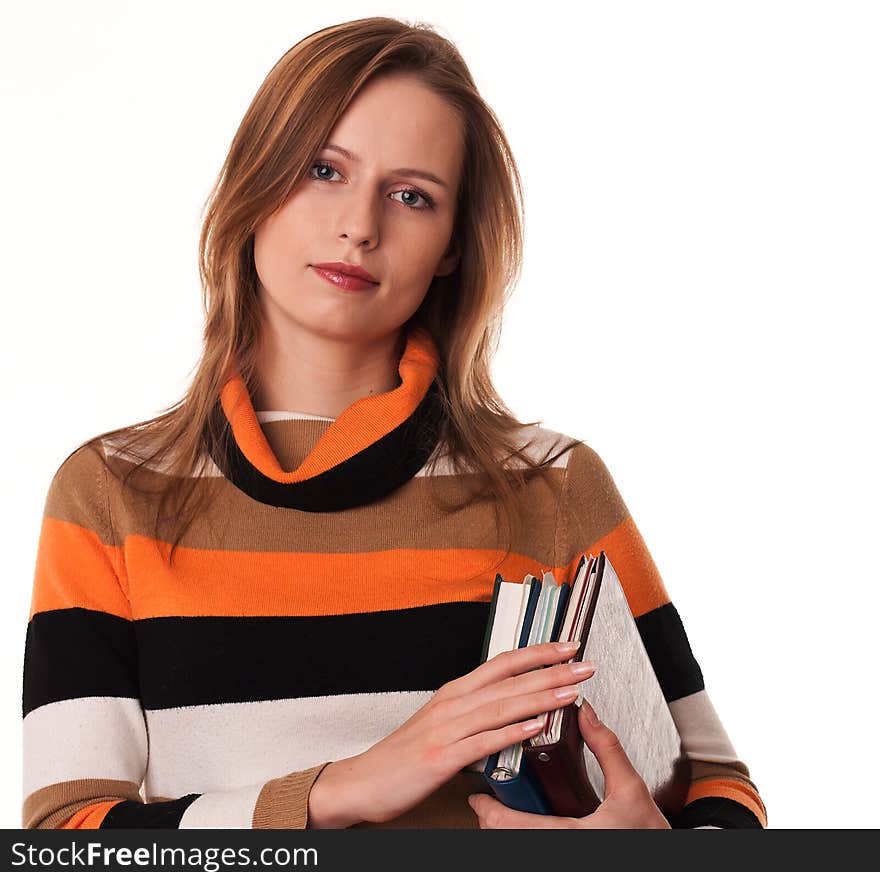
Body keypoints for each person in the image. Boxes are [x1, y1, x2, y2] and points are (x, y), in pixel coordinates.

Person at [21, 16, 765, 830]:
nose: (361, 225)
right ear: (255, 181)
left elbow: (721, 793)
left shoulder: (549, 483)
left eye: (413, 195)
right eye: (323, 170)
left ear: (452, 243)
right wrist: (341, 787)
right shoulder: (111, 491)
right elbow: (65, 849)